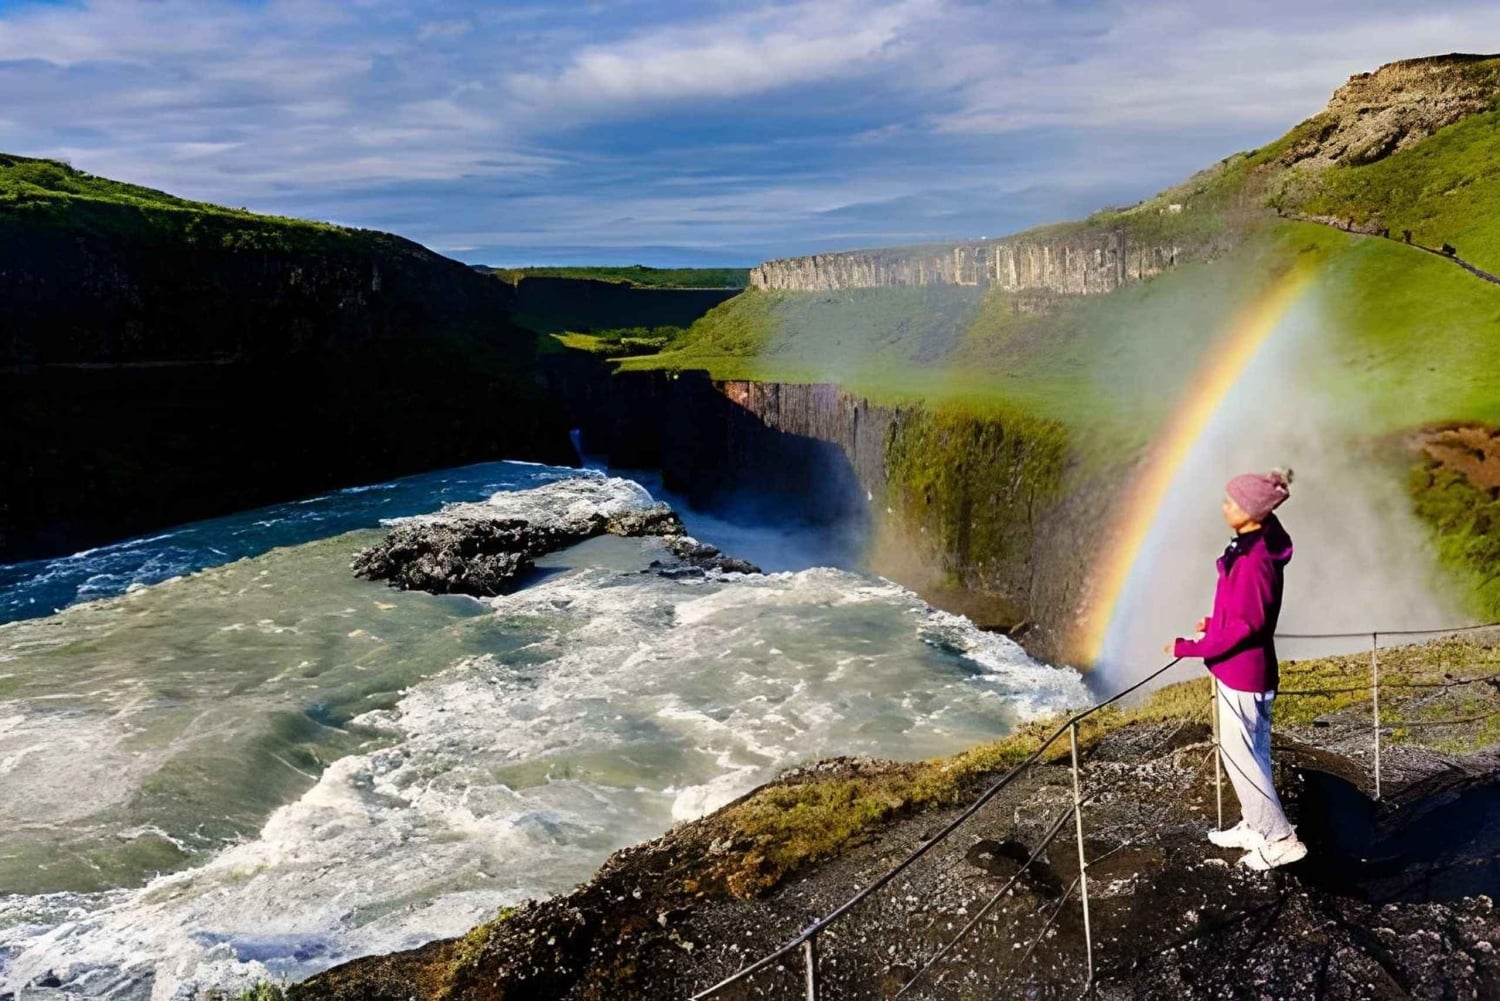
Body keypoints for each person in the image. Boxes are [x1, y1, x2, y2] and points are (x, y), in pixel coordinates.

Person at [1166, 468, 1308, 870]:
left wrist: (1189, 647)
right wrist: (1214, 624)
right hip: (1248, 670)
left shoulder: (1253, 559)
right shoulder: (1255, 544)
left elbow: (1248, 625)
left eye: (1232, 501)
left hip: (1242, 673)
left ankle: (1280, 839)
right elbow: (1244, 614)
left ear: (1251, 511)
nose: (1225, 506)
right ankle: (1256, 824)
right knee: (1253, 752)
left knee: (1241, 756)